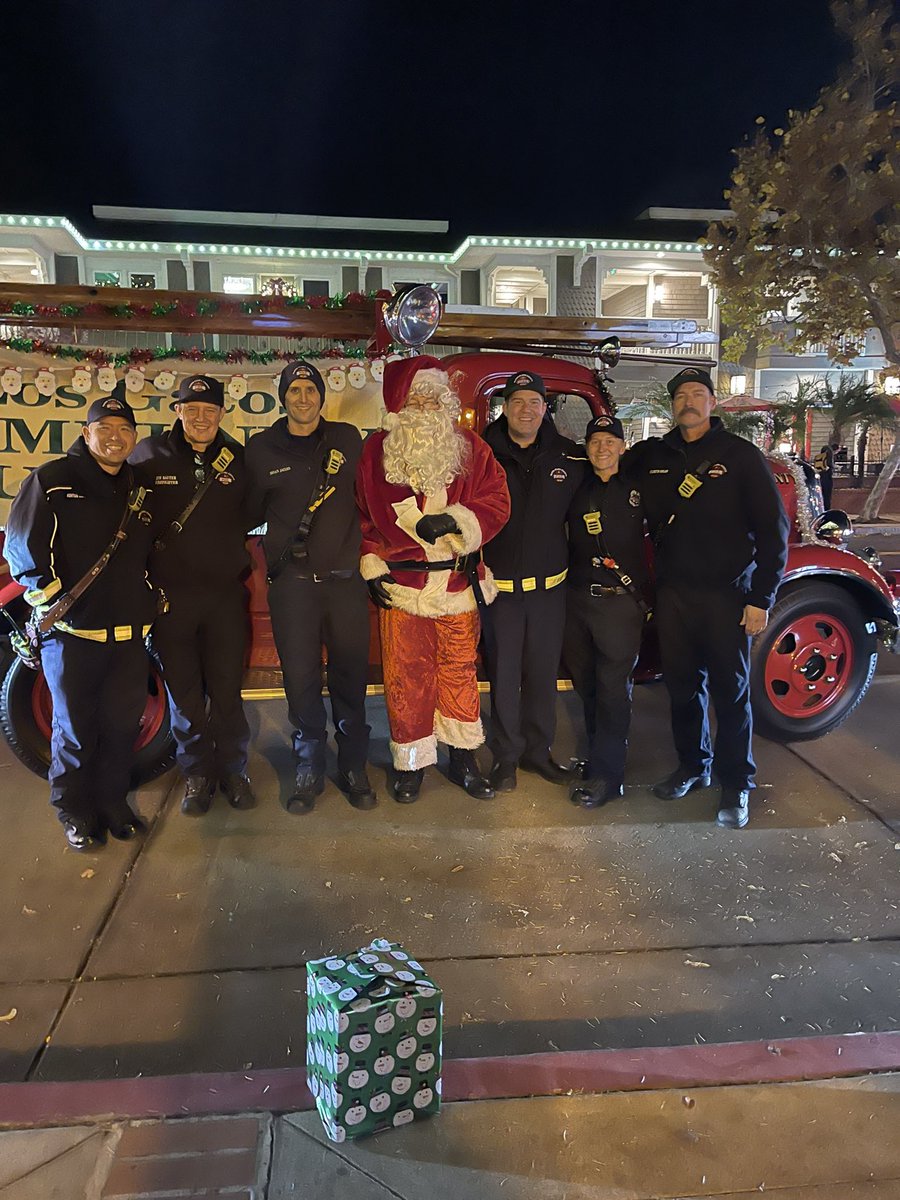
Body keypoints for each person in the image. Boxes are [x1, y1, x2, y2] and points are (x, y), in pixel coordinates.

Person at [628, 366, 789, 829]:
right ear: (672, 405)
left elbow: (773, 532)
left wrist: (762, 597)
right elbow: (606, 465)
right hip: (674, 594)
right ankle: (692, 767)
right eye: (680, 395)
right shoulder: (653, 454)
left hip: (728, 596)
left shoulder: (740, 456)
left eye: (697, 393)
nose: (688, 402)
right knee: (682, 688)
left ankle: (737, 782)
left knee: (731, 694)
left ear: (712, 403)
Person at [4, 393, 158, 851]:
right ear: (86, 433)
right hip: (72, 639)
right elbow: (22, 550)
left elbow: (155, 551)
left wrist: (153, 601)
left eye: (124, 429)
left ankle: (113, 805)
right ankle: (74, 811)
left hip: (130, 637)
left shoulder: (140, 487)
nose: (115, 437)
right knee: (73, 730)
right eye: (104, 428)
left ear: (134, 437)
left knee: (120, 728)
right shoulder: (51, 481)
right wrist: (57, 604)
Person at [356, 355, 510, 803]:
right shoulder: (375, 452)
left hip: (460, 587)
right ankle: (412, 764)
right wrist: (371, 561)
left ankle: (463, 758)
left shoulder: (472, 448)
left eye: (433, 395)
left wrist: (460, 520)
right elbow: (365, 518)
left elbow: (497, 500)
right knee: (406, 678)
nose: (425, 404)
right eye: (417, 396)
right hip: (405, 589)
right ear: (401, 402)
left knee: (460, 674)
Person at [245, 360, 374, 812]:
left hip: (345, 585)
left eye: (311, 389)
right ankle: (308, 767)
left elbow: (373, 492)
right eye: (295, 390)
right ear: (283, 397)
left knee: (350, 679)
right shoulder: (261, 448)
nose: (304, 397)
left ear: (322, 396)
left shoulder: (347, 439)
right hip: (294, 587)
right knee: (300, 681)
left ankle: (353, 766)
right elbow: (243, 512)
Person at [130, 374, 253, 816]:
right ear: (177, 410)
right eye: (192, 408)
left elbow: (257, 512)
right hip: (170, 600)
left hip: (223, 599)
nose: (201, 418)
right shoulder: (147, 455)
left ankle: (234, 771)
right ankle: (199, 774)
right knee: (184, 695)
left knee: (226, 692)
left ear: (222, 413)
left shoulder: (238, 459)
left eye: (210, 410)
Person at [481, 370, 587, 791]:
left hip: (549, 593)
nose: (526, 410)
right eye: (517, 402)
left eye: (534, 402)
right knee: (504, 678)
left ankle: (537, 753)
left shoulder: (569, 457)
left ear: (546, 408)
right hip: (500, 595)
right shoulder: (482, 456)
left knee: (543, 677)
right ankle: (506, 758)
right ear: (504, 408)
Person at [564, 415, 649, 809]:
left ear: (622, 446)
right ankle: (600, 758)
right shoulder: (574, 489)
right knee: (588, 687)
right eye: (595, 441)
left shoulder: (639, 488)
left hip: (619, 602)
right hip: (578, 602)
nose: (601, 448)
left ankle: (608, 777)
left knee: (614, 692)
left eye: (609, 441)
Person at [813, 443, 836, 508]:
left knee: (820, 497)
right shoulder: (828, 460)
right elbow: (829, 469)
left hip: (820, 479)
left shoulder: (818, 458)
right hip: (827, 480)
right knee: (827, 498)